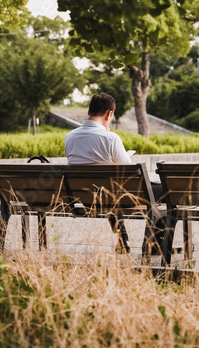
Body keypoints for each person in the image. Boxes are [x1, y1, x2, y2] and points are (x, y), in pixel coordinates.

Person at [65, 93, 164, 254]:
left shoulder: (69, 137)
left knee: (109, 189)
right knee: (166, 190)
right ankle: (156, 245)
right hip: (117, 198)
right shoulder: (111, 138)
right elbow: (132, 173)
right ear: (109, 114)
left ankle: (123, 240)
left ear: (89, 111)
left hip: (86, 199)